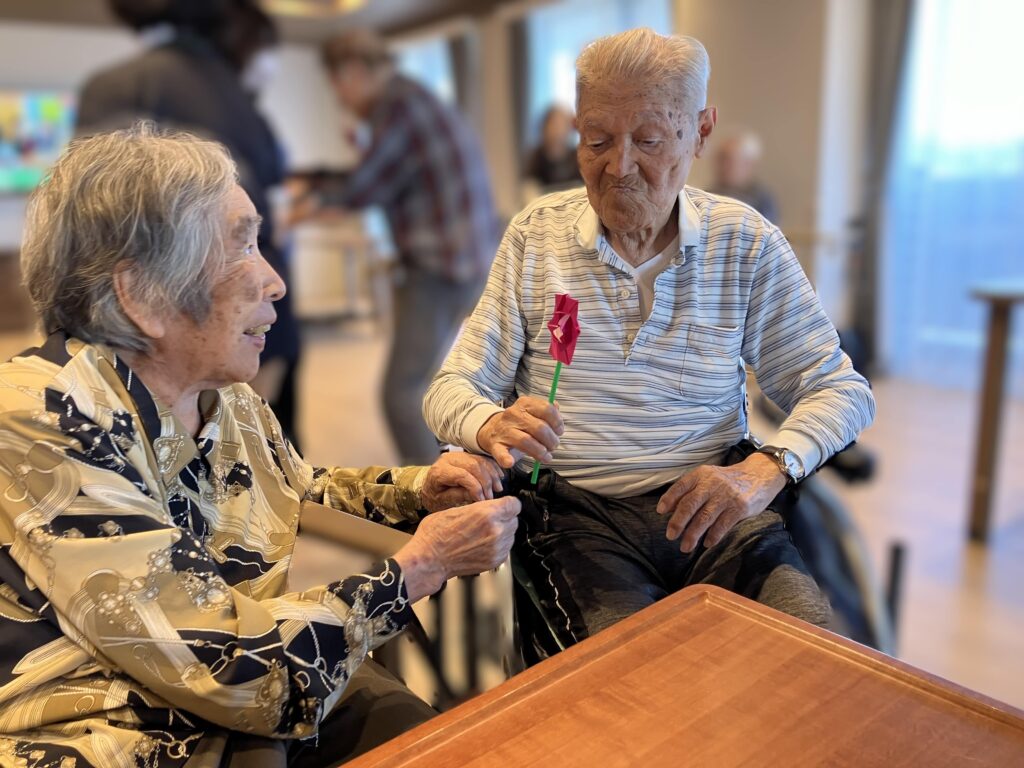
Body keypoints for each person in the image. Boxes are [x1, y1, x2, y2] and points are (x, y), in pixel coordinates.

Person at [0, 124, 518, 767]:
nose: (275, 281)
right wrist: (420, 569)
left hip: (240, 699)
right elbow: (230, 672)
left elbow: (289, 486)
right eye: (242, 247)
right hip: (104, 727)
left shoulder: (222, 396)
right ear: (143, 296)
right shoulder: (39, 417)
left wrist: (418, 489)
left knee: (421, 735)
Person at [424, 29, 875, 652]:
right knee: (628, 688)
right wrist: (485, 425)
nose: (619, 166)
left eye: (650, 140)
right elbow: (452, 386)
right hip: (579, 518)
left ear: (701, 130)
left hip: (715, 504)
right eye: (597, 140)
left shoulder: (744, 241)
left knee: (808, 662)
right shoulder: (537, 237)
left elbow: (841, 389)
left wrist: (764, 470)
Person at [75, 0, 305, 450]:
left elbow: (98, 231)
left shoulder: (118, 87)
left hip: (197, 321)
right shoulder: (241, 104)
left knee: (236, 461)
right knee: (261, 457)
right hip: (254, 321)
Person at [294, 29, 498, 467]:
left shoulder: (399, 108)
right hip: (468, 259)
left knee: (401, 392)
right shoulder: (412, 99)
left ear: (351, 74)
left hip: (443, 269)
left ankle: (435, 494)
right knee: (434, 379)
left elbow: (362, 187)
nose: (339, 99)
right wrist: (314, 183)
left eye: (336, 86)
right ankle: (454, 470)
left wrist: (302, 204)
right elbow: (374, 179)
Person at [709, 129, 779, 223]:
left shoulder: (761, 199)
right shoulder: (708, 195)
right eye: (721, 159)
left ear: (748, 164)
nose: (723, 166)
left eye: (729, 160)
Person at [523, 104, 582, 194]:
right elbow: (528, 189)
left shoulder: (577, 156)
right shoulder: (536, 157)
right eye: (554, 124)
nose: (558, 129)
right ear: (545, 126)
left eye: (562, 124)